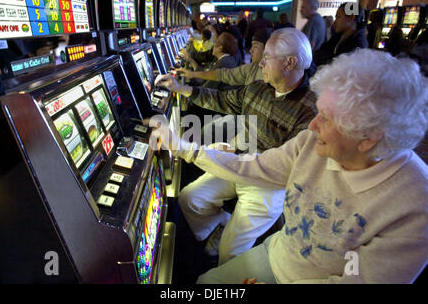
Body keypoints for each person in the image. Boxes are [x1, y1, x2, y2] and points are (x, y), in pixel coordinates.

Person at [147, 48, 428, 283]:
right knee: (205, 283)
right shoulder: (310, 143)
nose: (313, 125)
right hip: (281, 252)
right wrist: (182, 146)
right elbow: (253, 167)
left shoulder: (414, 206)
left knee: (226, 252)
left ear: (368, 138)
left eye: (326, 119)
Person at [154, 28, 317, 265]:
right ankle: (221, 221)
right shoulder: (260, 87)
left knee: (229, 253)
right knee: (189, 199)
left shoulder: (309, 112)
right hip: (238, 161)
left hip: (269, 182)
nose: (259, 63)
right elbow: (223, 100)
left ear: (289, 62)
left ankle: (226, 243)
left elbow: (285, 168)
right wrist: (182, 88)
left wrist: (236, 151)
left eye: (266, 57)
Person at [177, 28, 271, 87]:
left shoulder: (224, 63)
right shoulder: (226, 60)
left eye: (255, 46)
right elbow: (219, 75)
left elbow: (206, 86)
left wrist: (185, 87)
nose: (250, 50)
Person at [313, 2, 368, 67]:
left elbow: (339, 68)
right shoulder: (338, 35)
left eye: (338, 17)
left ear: (351, 17)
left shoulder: (359, 46)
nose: (334, 22)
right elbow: (318, 55)